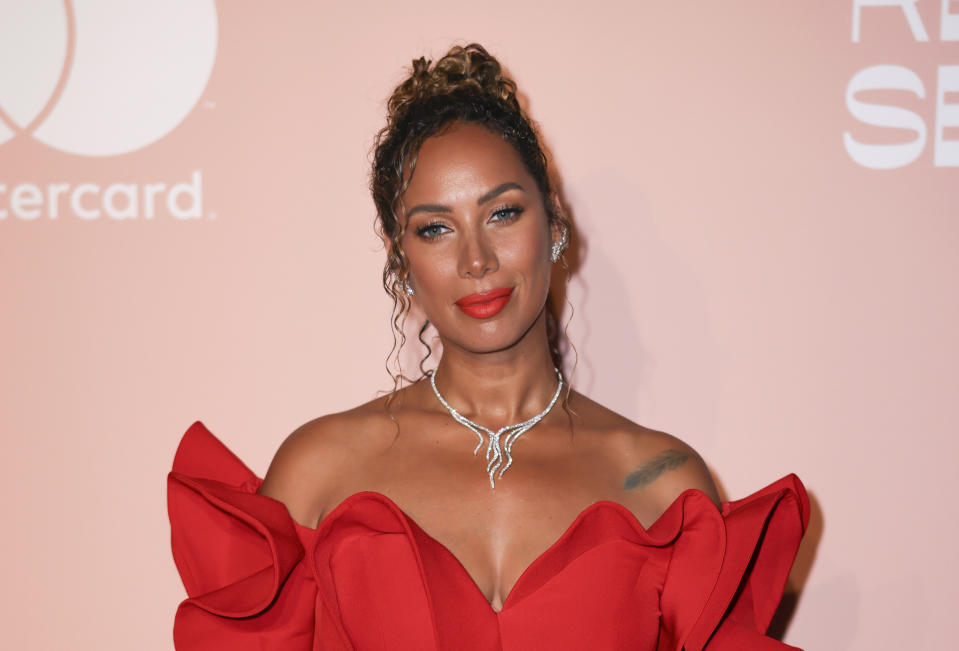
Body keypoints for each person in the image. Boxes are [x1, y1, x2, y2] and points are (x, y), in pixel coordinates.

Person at [167, 43, 809, 650]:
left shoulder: (666, 490)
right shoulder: (318, 471)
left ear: (554, 223)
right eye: (436, 228)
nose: (475, 259)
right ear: (402, 261)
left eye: (502, 213)